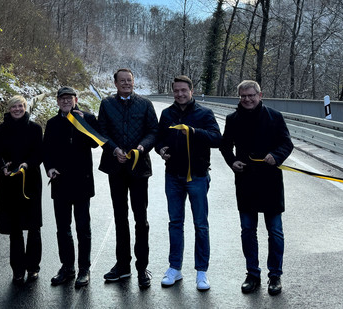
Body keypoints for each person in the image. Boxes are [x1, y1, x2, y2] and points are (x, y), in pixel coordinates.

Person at [219, 80, 293, 296]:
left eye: (251, 95)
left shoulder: (274, 117)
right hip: (245, 180)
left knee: (275, 232)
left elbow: (287, 144)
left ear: (261, 95)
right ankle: (252, 274)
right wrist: (232, 161)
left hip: (270, 179)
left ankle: (275, 276)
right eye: (243, 96)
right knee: (248, 231)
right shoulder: (233, 119)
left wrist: (276, 156)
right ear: (239, 97)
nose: (247, 99)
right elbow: (225, 146)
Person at [156, 75, 221, 291]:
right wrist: (161, 150)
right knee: (175, 223)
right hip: (173, 176)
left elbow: (216, 139)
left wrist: (193, 132)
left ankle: (202, 271)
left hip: (198, 176)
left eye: (184, 90)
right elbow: (159, 140)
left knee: (200, 225)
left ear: (191, 91)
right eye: (176, 91)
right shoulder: (167, 114)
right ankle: (175, 268)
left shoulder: (204, 113)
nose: (180, 94)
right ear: (173, 92)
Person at [97, 68, 158, 288]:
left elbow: (154, 131)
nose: (126, 83)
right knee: (120, 218)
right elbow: (101, 132)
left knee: (141, 220)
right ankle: (122, 266)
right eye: (122, 80)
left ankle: (142, 268)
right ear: (115, 83)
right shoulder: (106, 104)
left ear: (133, 82)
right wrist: (114, 150)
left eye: (129, 80)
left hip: (139, 168)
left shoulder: (145, 104)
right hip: (116, 169)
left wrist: (142, 148)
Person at [43, 87, 98, 288]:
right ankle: (67, 267)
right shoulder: (52, 123)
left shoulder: (87, 118)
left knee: (83, 228)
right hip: (60, 182)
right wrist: (49, 168)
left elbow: (95, 143)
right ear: (57, 101)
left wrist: (85, 121)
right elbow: (46, 150)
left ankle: (84, 268)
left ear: (76, 100)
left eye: (70, 98)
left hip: (82, 181)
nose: (66, 101)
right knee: (62, 228)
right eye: (62, 98)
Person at [0, 95, 43, 285]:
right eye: (14, 107)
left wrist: (27, 164)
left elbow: (39, 154)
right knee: (15, 229)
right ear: (9, 108)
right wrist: (2, 166)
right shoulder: (1, 129)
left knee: (33, 227)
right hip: (9, 182)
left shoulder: (36, 128)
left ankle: (33, 268)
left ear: (25, 107)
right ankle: (18, 269)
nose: (17, 109)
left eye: (20, 106)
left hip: (30, 181)